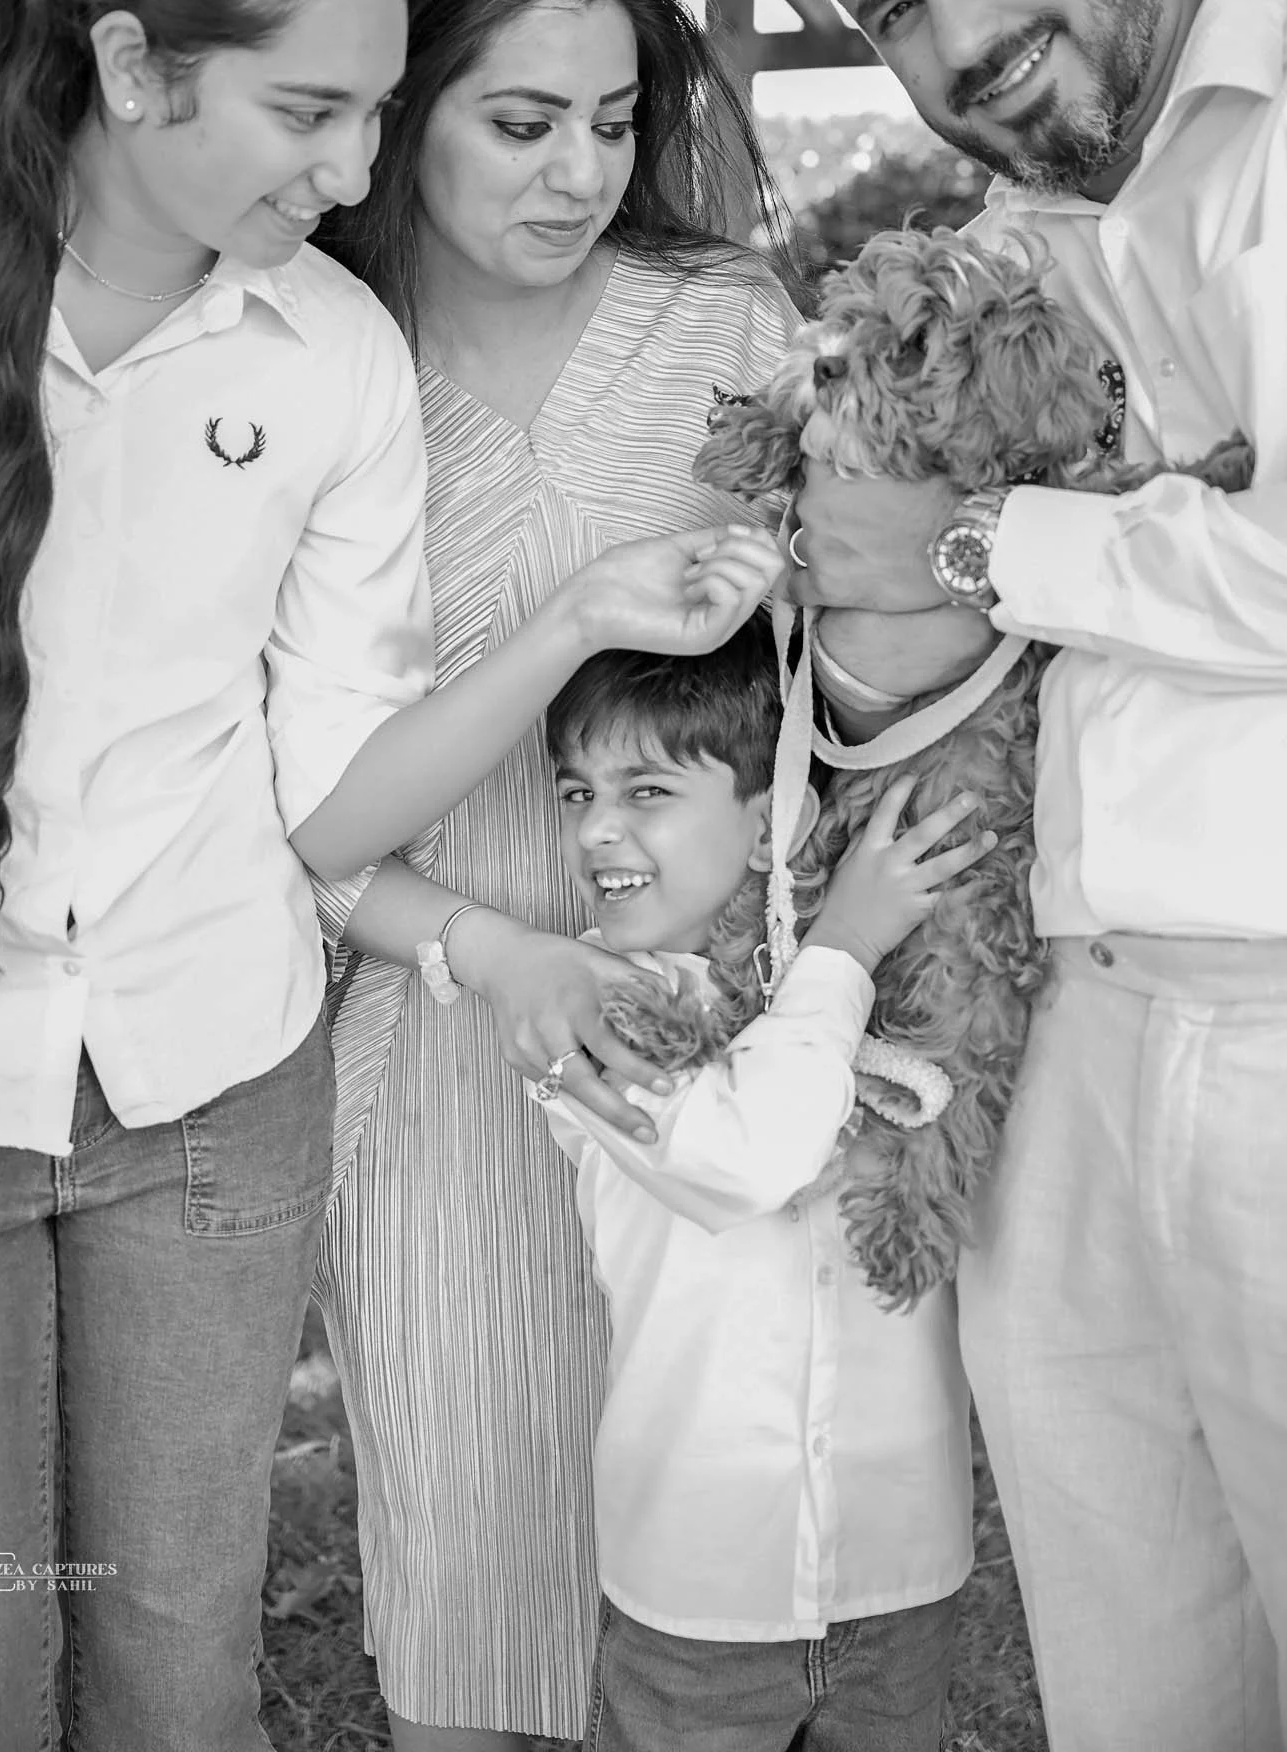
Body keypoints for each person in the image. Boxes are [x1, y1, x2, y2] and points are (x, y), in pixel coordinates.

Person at [0, 0, 780, 1752]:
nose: (354, 164)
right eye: (313, 109)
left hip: (214, 1069)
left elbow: (329, 774)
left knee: (177, 1642)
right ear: (128, 65)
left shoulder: (328, 345)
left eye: (376, 111)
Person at [779, 0, 1287, 1752]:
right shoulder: (1028, 230)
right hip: (1064, 1016)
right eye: (898, 7)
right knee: (1130, 1643)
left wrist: (988, 536)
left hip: (1279, 1017)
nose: (959, 37)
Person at [311, 0, 802, 1748]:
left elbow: (826, 690)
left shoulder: (727, 324)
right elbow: (278, 806)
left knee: (719, 1582)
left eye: (611, 122)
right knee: (473, 1580)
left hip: (711, 1038)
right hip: (437, 1030)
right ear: (402, 109)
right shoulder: (307, 357)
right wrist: (472, 947)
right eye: (519, 123)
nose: (578, 171)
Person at [535, 621, 989, 1752]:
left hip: (903, 1557)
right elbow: (745, 1157)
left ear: (764, 824)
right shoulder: (586, 1011)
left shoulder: (896, 991)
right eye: (575, 790)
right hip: (699, 1584)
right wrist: (843, 949)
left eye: (645, 789)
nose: (598, 828)